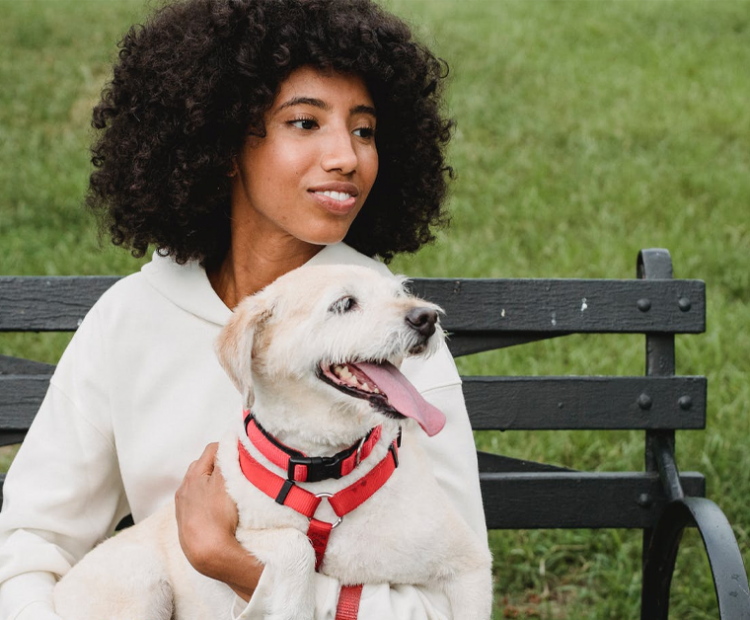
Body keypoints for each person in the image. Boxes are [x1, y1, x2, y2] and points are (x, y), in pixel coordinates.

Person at [0, 0, 488, 618]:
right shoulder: (130, 318)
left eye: (363, 129)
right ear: (224, 143)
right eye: (306, 123)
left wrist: (236, 567)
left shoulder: (392, 333)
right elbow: (31, 544)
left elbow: (449, 601)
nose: (346, 156)